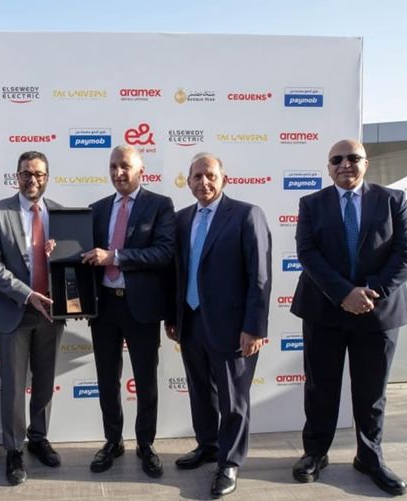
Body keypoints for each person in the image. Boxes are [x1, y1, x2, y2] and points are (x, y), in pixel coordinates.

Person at [291, 139, 407, 496]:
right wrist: (345, 293)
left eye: (353, 158)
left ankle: (369, 457)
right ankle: (315, 453)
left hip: (378, 313)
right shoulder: (311, 203)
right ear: (328, 167)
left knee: (371, 392)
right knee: (320, 388)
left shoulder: (393, 200)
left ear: (366, 162)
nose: (345, 164)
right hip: (324, 311)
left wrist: (370, 291)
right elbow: (307, 253)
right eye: (337, 159)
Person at [165, 153, 272, 498]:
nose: (203, 182)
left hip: (233, 326)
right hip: (191, 321)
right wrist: (173, 317)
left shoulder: (246, 214)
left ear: (224, 178)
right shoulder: (181, 219)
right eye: (196, 176)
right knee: (200, 391)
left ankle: (230, 461)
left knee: (233, 398)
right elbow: (176, 273)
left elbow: (259, 276)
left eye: (210, 175)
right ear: (188, 181)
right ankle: (208, 445)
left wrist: (254, 327)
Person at [81, 144, 175, 478]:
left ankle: (146, 444)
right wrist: (58, 248)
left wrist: (116, 257)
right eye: (113, 167)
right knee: (107, 380)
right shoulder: (97, 209)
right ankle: (113, 441)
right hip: (104, 306)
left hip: (141, 308)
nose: (118, 173)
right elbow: (83, 254)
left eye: (125, 166)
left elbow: (164, 252)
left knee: (145, 381)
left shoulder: (160, 205)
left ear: (141, 170)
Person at [0, 151, 65, 485]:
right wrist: (27, 294)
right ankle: (14, 449)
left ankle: (39, 437)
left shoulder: (60, 213)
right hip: (14, 310)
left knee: (45, 379)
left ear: (47, 177)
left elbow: (73, 261)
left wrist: (60, 255)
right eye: (26, 174)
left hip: (51, 312)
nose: (33, 180)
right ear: (16, 177)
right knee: (14, 385)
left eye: (39, 174)